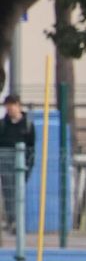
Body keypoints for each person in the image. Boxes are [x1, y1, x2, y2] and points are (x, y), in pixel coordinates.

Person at [0, 94, 35, 232]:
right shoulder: (3, 125)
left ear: (18, 105)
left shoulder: (27, 125)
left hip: (22, 163)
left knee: (19, 193)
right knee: (9, 194)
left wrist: (28, 166)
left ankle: (18, 221)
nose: (10, 108)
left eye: (12, 105)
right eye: (7, 105)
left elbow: (31, 147)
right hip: (5, 163)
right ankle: (12, 221)